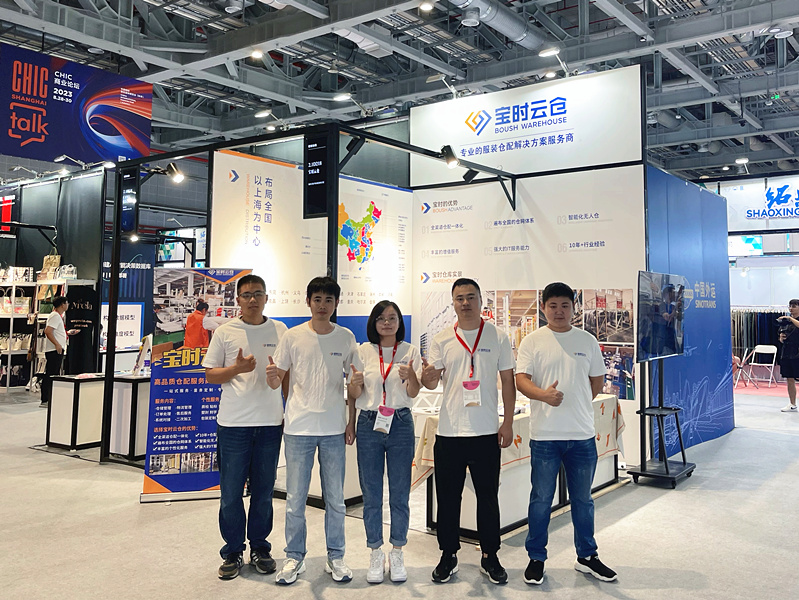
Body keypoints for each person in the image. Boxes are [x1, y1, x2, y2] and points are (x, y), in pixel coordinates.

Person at [515, 282, 616, 585]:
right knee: (541, 500)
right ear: (543, 308)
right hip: (545, 436)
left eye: (565, 306)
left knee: (583, 500)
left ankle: (587, 556)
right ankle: (536, 558)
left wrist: (578, 402)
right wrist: (544, 396)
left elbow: (596, 382)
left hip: (582, 434)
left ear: (574, 308)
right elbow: (521, 380)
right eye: (553, 306)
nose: (559, 311)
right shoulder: (532, 341)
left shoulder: (587, 340)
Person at [420, 278, 516, 585]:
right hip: (450, 432)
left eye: (470, 297)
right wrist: (427, 376)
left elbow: (509, 382)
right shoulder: (442, 339)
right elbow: (431, 382)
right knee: (448, 499)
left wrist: (508, 422)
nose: (465, 303)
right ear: (453, 303)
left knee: (488, 498)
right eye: (459, 298)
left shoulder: (498, 337)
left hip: (486, 432)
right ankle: (448, 554)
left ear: (480, 301)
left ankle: (490, 555)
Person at [267, 276, 359, 585]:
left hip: (333, 428)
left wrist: (351, 421)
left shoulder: (346, 337)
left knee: (335, 499)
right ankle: (295, 556)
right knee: (295, 499)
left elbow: (354, 385)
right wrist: (271, 375)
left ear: (336, 304)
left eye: (328, 300)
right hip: (298, 428)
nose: (322, 305)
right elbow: (276, 379)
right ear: (308, 301)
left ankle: (336, 556)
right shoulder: (293, 336)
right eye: (317, 299)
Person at [202, 275, 289, 580]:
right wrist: (236, 369)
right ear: (238, 300)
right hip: (233, 424)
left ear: (266, 298)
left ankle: (260, 548)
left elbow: (287, 374)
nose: (253, 299)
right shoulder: (225, 332)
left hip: (269, 424)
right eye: (247, 295)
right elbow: (210, 375)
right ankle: (232, 551)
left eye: (258, 294)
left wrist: (289, 409)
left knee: (264, 493)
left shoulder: (280, 330)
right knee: (230, 493)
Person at [347, 300, 421, 584]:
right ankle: (375, 551)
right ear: (373, 323)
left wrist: (411, 376)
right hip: (369, 423)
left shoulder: (410, 351)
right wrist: (354, 385)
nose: (387, 323)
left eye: (392, 318)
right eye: (381, 318)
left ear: (400, 322)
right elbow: (354, 393)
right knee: (372, 493)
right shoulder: (362, 351)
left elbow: (412, 392)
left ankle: (398, 551)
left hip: (400, 422)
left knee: (400, 492)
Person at [40, 296, 73, 408]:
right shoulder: (55, 316)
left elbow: (55, 331)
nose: (68, 305)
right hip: (54, 350)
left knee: (53, 373)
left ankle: (50, 398)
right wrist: (57, 344)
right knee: (51, 374)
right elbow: (48, 331)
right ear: (62, 304)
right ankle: (45, 399)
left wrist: (67, 333)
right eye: (67, 303)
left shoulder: (58, 316)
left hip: (56, 349)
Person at [778, 298, 799, 412]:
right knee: (789, 378)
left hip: (798, 352)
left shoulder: (791, 320)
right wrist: (781, 338)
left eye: (794, 306)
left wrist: (790, 318)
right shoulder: (785, 322)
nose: (791, 308)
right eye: (790, 306)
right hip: (787, 352)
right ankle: (792, 403)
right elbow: (781, 334)